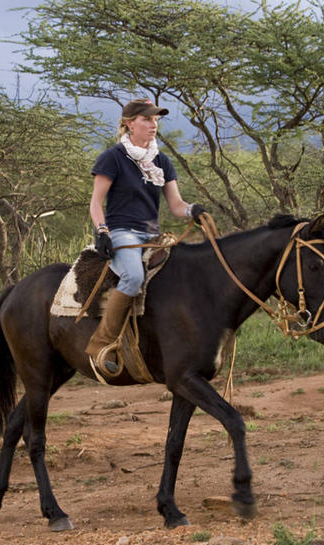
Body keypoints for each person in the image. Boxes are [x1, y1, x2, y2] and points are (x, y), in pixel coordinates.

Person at [86, 98, 205, 373]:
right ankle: (101, 345)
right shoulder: (113, 157)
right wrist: (102, 230)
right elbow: (96, 202)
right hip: (123, 232)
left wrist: (193, 210)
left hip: (153, 235)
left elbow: (176, 206)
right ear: (130, 124)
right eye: (147, 119)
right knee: (133, 277)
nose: (153, 125)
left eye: (155, 120)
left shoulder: (162, 161)